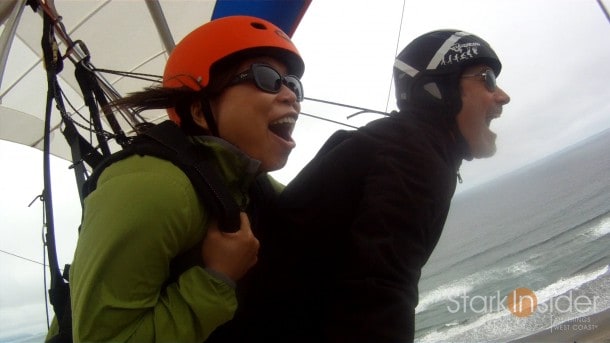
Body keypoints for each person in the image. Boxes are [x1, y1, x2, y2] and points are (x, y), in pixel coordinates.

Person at [207, 29, 510, 342]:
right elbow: (377, 294)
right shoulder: (413, 157)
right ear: (439, 90)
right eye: (486, 79)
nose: (502, 95)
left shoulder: (400, 145)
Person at [45, 15, 305, 342]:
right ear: (199, 110)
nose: (291, 96)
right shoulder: (153, 188)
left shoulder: (247, 185)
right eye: (267, 78)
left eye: (294, 85)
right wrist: (217, 279)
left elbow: (317, 209)